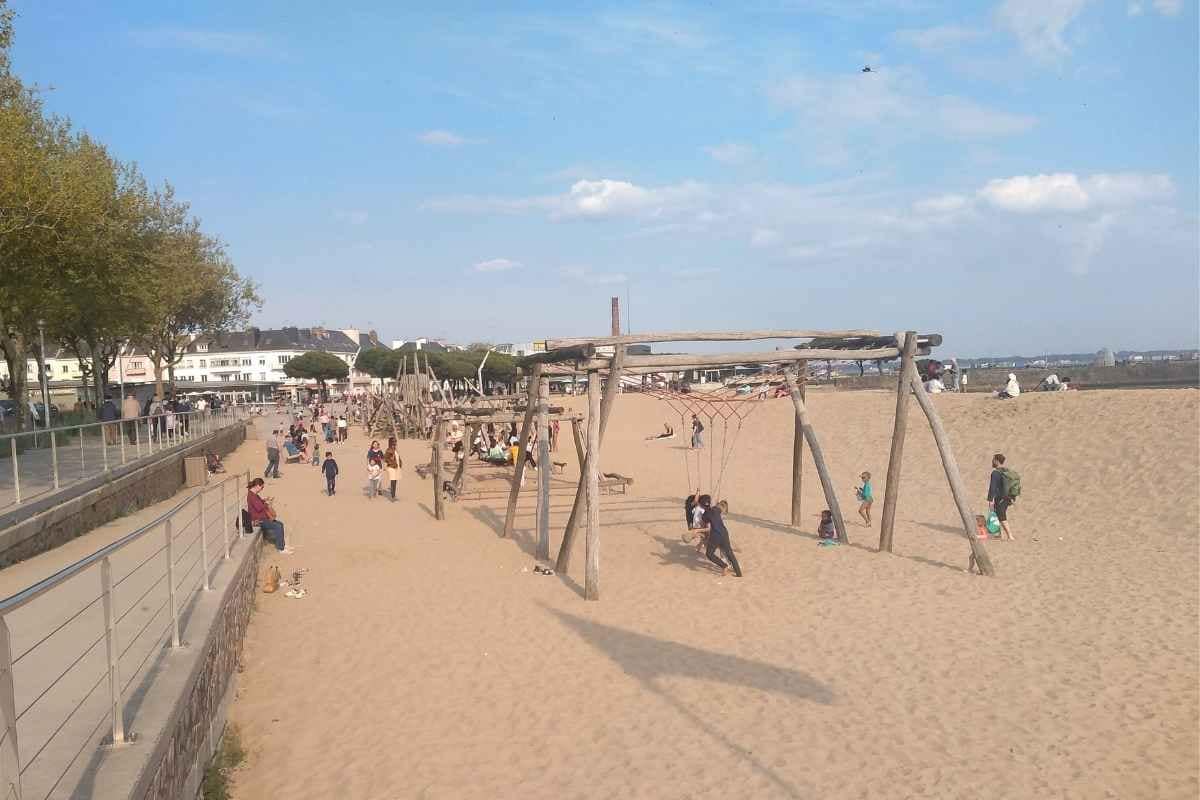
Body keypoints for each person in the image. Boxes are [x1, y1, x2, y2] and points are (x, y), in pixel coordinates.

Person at [699, 495, 741, 577]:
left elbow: (705, 520)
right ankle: (739, 573)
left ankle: (724, 566)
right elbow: (720, 508)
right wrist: (715, 505)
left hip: (715, 535)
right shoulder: (716, 509)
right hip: (724, 533)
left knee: (709, 554)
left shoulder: (705, 515)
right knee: (730, 554)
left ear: (701, 505)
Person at [247, 478, 292, 553]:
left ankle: (282, 545)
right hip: (258, 520)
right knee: (278, 526)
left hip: (261, 518)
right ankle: (280, 548)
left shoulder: (254, 495)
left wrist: (265, 501)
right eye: (262, 487)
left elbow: (260, 503)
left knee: (280, 524)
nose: (261, 489)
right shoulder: (252, 496)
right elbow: (259, 508)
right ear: (257, 486)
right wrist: (267, 504)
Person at [987, 453, 1016, 541]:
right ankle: (998, 534)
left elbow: (992, 487)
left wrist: (990, 499)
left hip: (1001, 498)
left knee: (1001, 515)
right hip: (1007, 497)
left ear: (997, 461)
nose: (992, 461)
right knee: (997, 514)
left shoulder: (995, 473)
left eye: (993, 460)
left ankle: (1010, 536)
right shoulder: (1005, 471)